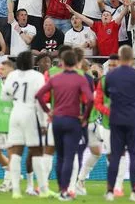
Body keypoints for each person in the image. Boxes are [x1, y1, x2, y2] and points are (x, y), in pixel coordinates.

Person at [35, 49, 93, 201]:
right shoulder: (81, 78)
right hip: (73, 120)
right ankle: (68, 190)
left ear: (61, 60)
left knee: (57, 155)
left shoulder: (54, 76)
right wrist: (85, 116)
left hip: (56, 121)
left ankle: (56, 188)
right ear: (75, 61)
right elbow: (91, 99)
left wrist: (48, 111)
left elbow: (39, 95)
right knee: (71, 155)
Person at [104, 45, 135, 201]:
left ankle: (110, 192)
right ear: (132, 58)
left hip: (116, 120)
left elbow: (107, 92)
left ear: (119, 58)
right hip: (134, 120)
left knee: (115, 157)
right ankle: (134, 192)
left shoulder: (111, 76)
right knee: (134, 157)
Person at [75, 54, 128, 197]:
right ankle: (79, 180)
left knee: (115, 153)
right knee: (101, 153)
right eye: (109, 65)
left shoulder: (125, 81)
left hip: (115, 123)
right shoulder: (99, 82)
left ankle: (117, 185)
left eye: (113, 65)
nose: (111, 68)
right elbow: (97, 102)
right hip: (99, 124)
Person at [2, 52, 48, 199]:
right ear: (30, 62)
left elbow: (4, 96)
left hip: (15, 113)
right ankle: (43, 188)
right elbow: (40, 100)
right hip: (30, 113)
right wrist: (43, 122)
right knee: (36, 151)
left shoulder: (13, 75)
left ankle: (16, 190)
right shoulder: (37, 77)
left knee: (15, 152)